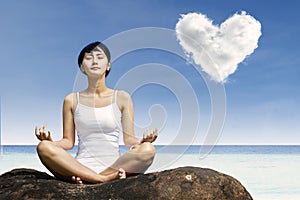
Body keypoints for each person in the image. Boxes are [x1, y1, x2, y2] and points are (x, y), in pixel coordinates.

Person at [35, 41, 158, 184]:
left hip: (115, 167)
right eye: (88, 58)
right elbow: (68, 142)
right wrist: (51, 143)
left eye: (99, 57)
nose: (94, 61)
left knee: (148, 150)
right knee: (43, 147)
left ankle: (96, 179)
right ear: (82, 67)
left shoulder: (122, 97)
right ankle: (102, 180)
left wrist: (143, 142)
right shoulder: (71, 100)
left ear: (108, 65)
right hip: (80, 167)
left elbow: (128, 140)